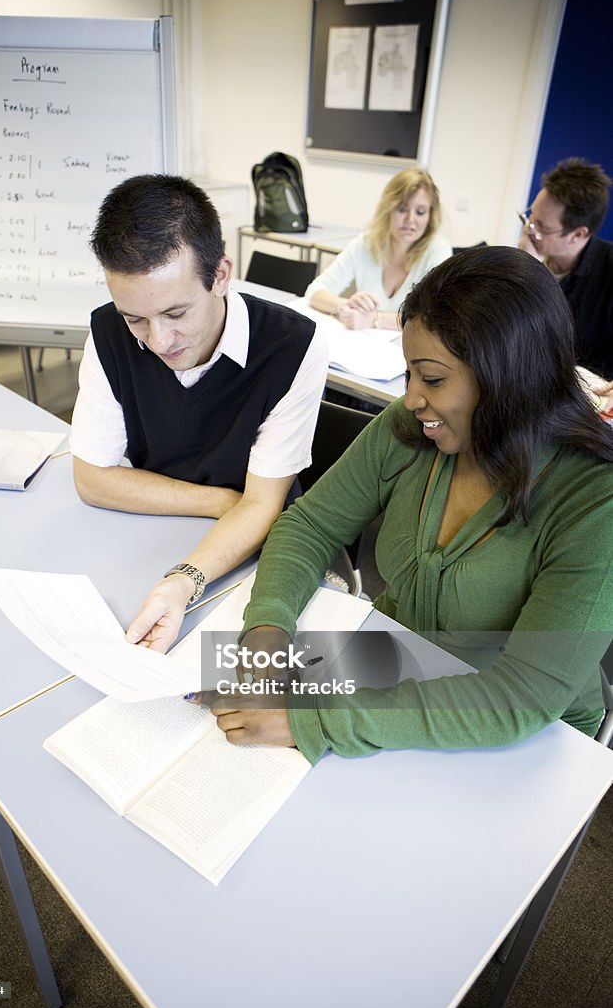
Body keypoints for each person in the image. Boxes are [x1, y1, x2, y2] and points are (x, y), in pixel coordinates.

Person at [207, 247, 613, 762]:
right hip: (394, 667)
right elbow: (309, 526)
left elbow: (525, 697)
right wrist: (267, 627)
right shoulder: (414, 427)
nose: (413, 398)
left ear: (509, 377)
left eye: (434, 379)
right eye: (409, 375)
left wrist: (313, 718)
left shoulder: (595, 499)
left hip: (527, 731)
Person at [69, 174, 328, 652]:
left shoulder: (294, 346)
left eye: (176, 314)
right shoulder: (109, 331)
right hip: (158, 531)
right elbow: (92, 480)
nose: (158, 341)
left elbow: (263, 506)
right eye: (136, 319)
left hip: (257, 554)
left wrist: (184, 579)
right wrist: (221, 502)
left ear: (221, 275)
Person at [304, 168, 452, 331]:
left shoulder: (438, 250)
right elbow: (314, 292)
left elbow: (433, 317)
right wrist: (345, 307)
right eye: (402, 209)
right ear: (388, 208)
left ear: (430, 215)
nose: (410, 220)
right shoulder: (366, 243)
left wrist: (374, 319)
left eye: (420, 212)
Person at [519, 157, 613, 412]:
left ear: (578, 234)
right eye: (530, 217)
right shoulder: (529, 255)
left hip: (583, 406)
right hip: (523, 389)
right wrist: (523, 268)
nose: (529, 230)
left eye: (542, 227)